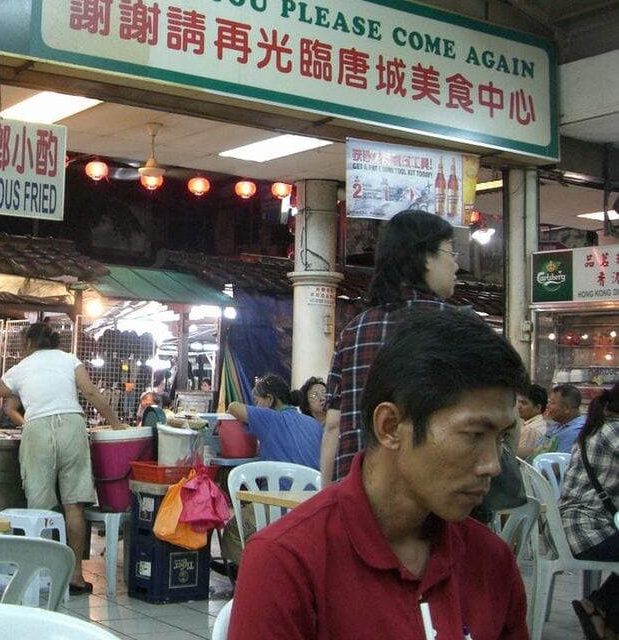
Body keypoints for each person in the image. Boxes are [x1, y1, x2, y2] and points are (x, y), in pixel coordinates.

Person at [229, 308, 529, 640]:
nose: (493, 465)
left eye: (501, 439)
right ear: (390, 426)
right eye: (473, 435)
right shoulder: (287, 562)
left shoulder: (491, 561)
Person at [321, 210, 459, 485]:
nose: (456, 265)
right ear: (426, 257)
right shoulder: (460, 328)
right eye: (451, 253)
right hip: (435, 494)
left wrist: (329, 498)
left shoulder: (354, 331)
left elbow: (334, 425)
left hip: (360, 493)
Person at [0, 322, 127, 595]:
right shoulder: (69, 360)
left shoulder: (21, 367)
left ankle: (39, 573)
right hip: (72, 427)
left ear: (29, 342)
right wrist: (116, 424)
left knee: (39, 506)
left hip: (38, 429)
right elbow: (90, 392)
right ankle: (75, 575)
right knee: (74, 505)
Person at [221, 373, 324, 571]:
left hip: (278, 506)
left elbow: (233, 407)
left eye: (257, 401)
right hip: (313, 508)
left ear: (269, 400)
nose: (256, 406)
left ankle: (259, 575)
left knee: (232, 532)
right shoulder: (314, 424)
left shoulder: (269, 418)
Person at [560, 384, 619, 640]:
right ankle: (603, 612)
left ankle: (601, 611)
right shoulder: (614, 431)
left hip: (572, 527)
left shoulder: (598, 426)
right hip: (587, 530)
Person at [540, 384, 585, 453]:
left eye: (552, 403)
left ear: (567, 408)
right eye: (548, 402)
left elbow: (558, 458)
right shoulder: (556, 426)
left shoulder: (576, 432)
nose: (547, 406)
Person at [516, 383, 548, 459]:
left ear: (537, 407)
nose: (519, 406)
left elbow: (521, 459)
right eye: (518, 402)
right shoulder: (537, 423)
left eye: (524, 403)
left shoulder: (531, 430)